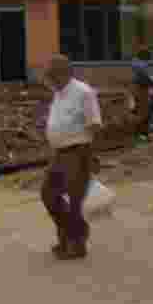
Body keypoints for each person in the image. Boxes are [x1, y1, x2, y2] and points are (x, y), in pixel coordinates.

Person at [40, 54, 102, 260]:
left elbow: (94, 125)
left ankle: (75, 245)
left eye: (52, 77)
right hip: (59, 153)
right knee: (48, 195)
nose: (49, 81)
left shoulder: (84, 93)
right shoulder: (58, 93)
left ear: (64, 74)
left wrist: (91, 157)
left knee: (74, 201)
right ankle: (72, 235)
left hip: (78, 152)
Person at [132, 47, 153, 139]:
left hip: (144, 91)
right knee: (144, 115)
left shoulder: (139, 64)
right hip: (142, 90)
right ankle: (141, 134)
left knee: (146, 114)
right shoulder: (140, 65)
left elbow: (149, 81)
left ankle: (144, 134)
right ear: (144, 55)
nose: (150, 57)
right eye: (148, 55)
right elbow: (146, 80)